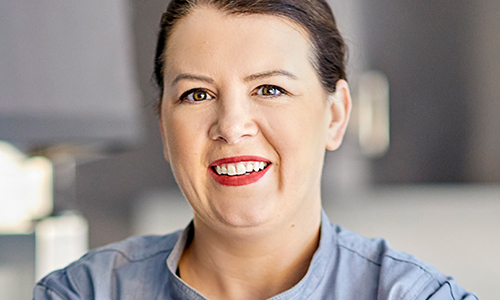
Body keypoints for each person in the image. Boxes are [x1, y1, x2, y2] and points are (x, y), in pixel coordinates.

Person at [33, 0, 478, 299]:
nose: (231, 126)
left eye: (270, 88)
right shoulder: (84, 291)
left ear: (336, 115)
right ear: (165, 129)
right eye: (197, 95)